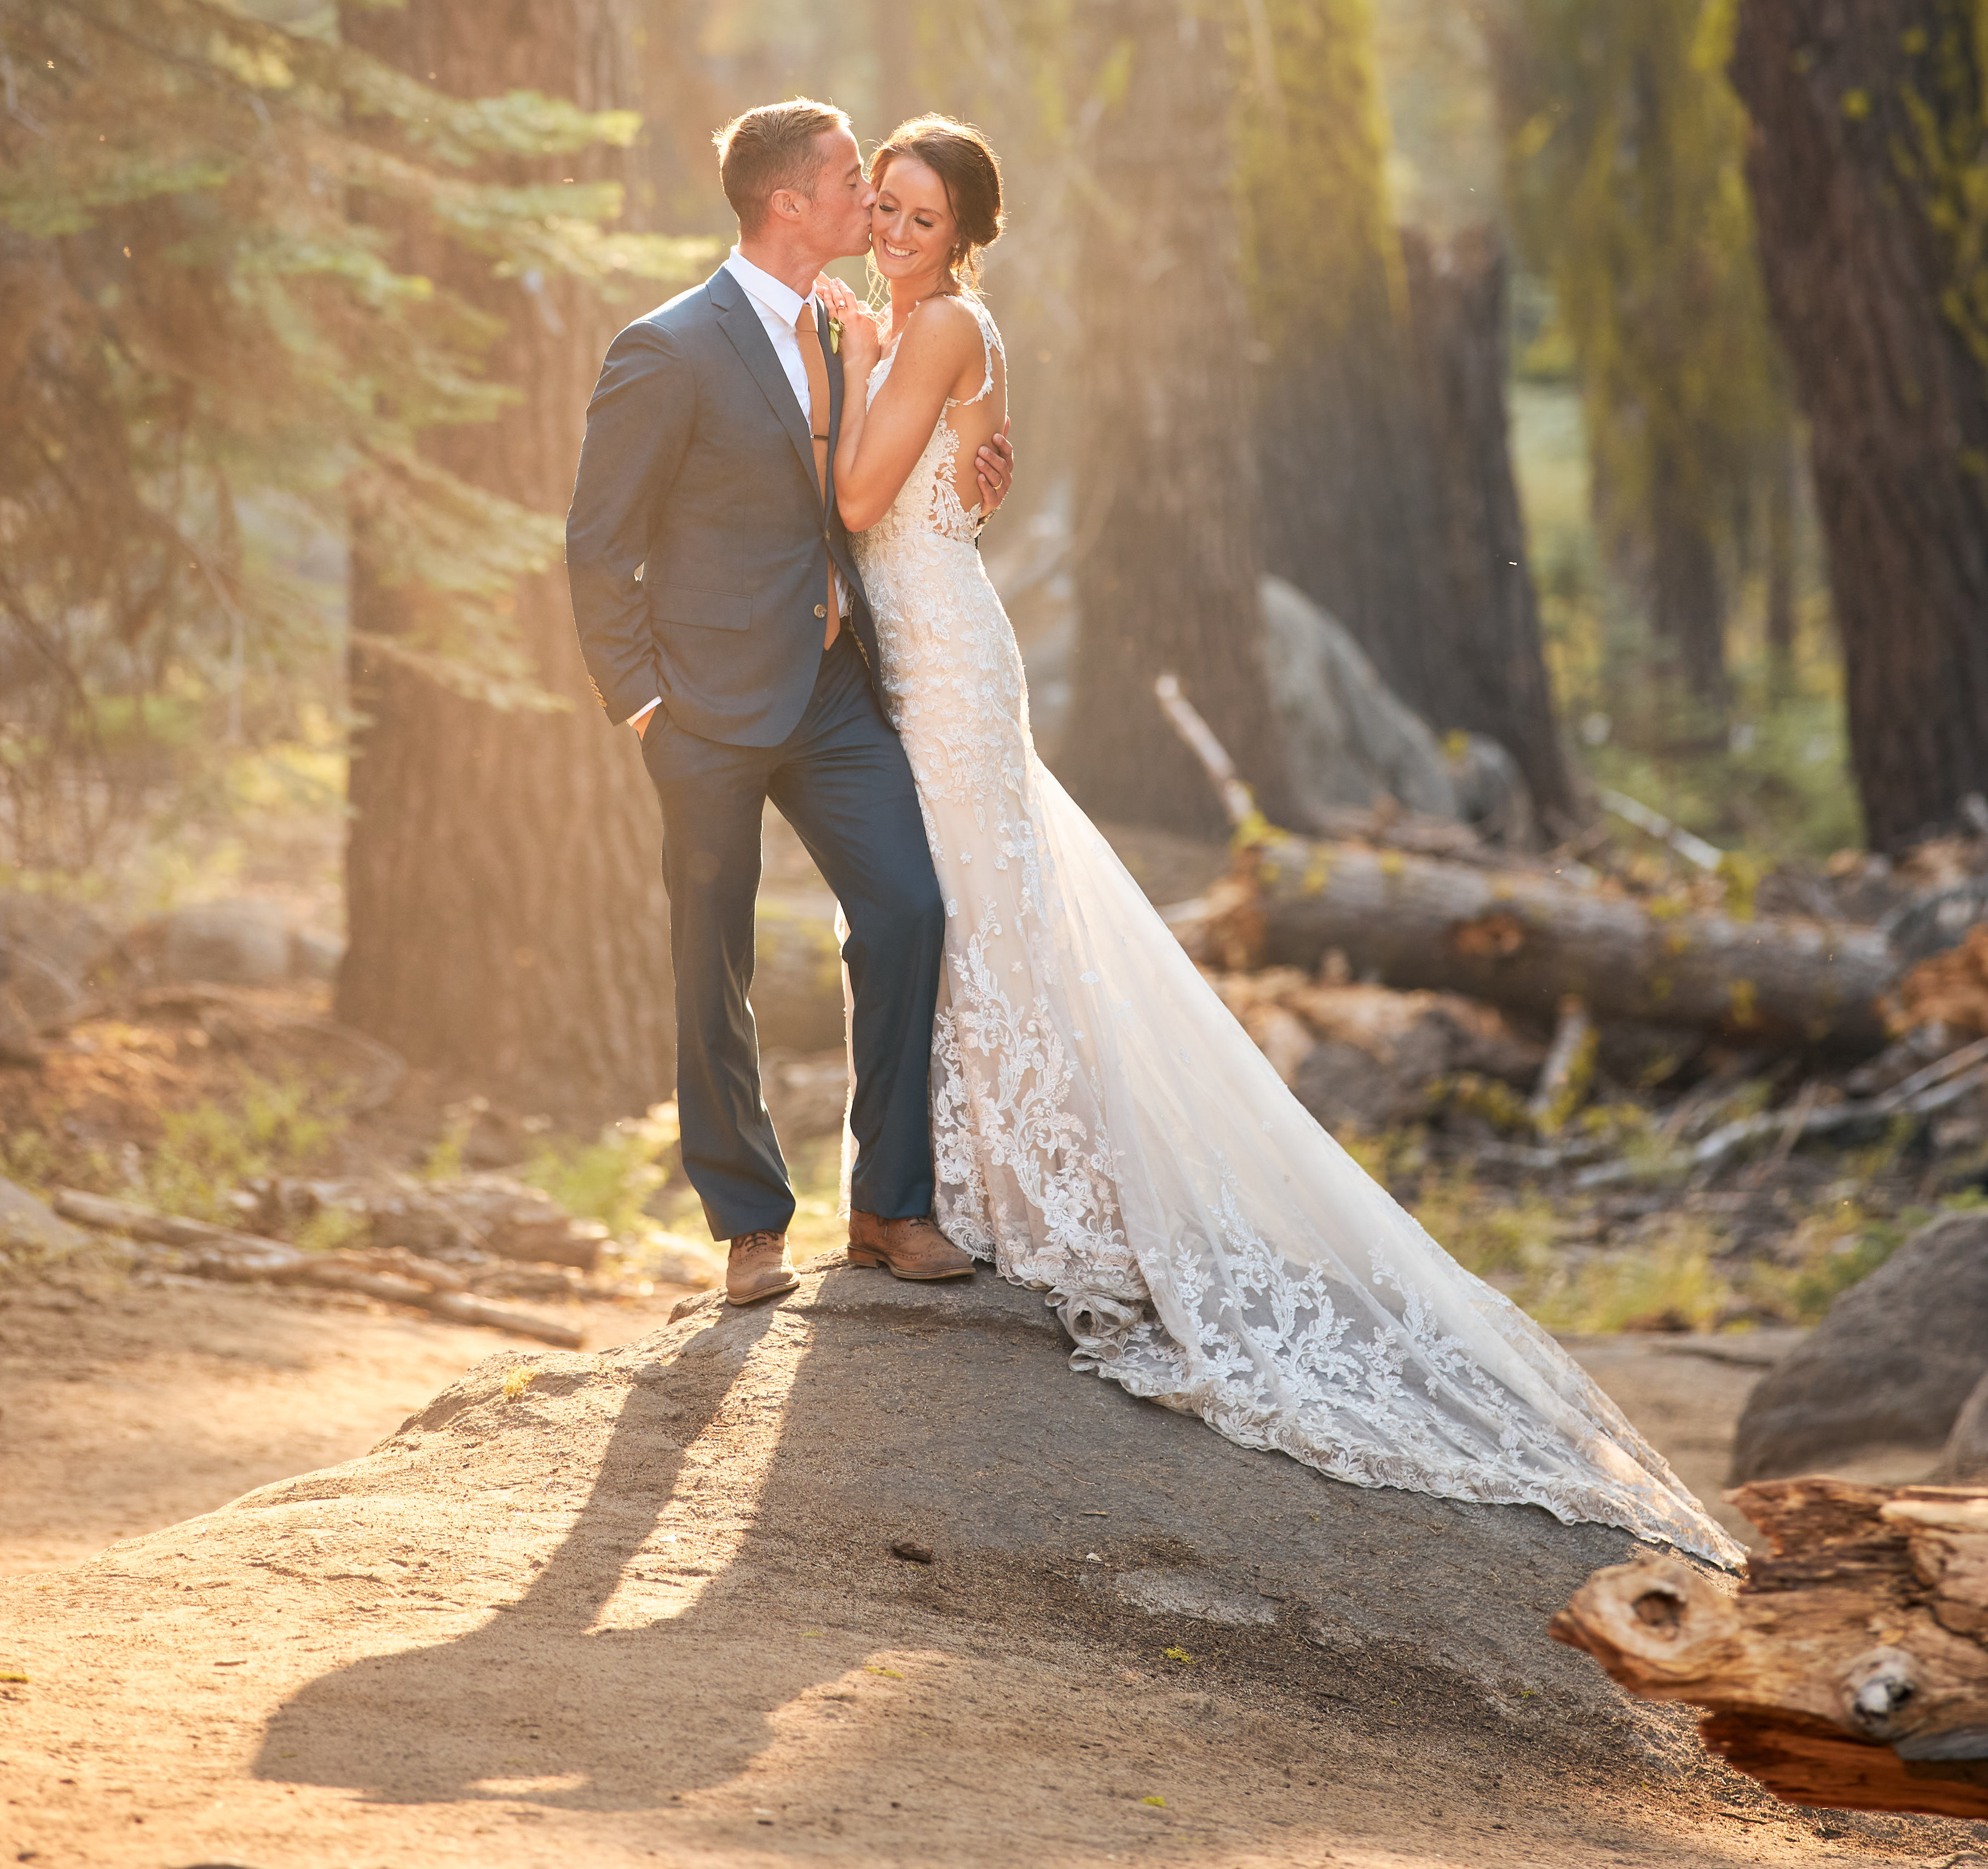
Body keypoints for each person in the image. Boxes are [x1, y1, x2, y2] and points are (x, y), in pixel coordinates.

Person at [822, 109, 1737, 1565]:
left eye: (918, 217)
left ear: (964, 234)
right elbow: (951, 478)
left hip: (941, 656)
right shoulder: (934, 325)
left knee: (978, 911)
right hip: (936, 640)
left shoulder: (925, 334)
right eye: (880, 205)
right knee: (975, 908)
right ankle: (962, 1185)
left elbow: (863, 495)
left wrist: (849, 373)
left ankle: (1019, 1198)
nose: (888, 230)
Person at [565, 99, 1008, 1308]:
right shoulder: (666, 346)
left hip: (829, 687)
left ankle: (888, 1207)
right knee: (713, 959)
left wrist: (973, 474)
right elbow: (597, 545)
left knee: (908, 911)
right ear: (787, 204)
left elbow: (883, 478)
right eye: (845, 181)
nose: (869, 202)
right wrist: (641, 704)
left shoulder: (843, 324)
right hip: (700, 707)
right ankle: (750, 1229)